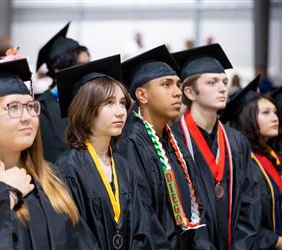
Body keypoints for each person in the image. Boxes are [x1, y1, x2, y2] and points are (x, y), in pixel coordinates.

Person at [0, 58, 99, 249]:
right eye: (13, 107)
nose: (27, 117)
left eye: (30, 106)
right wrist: (5, 195)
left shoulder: (50, 176)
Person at [55, 55, 171, 250]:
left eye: (122, 103)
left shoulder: (123, 166)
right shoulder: (68, 168)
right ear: (86, 108)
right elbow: (74, 236)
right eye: (109, 103)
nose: (120, 112)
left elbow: (142, 229)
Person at [115, 45, 213, 249]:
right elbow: (144, 218)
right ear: (142, 95)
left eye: (178, 84)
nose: (178, 92)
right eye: (166, 84)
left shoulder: (174, 140)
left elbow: (197, 202)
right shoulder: (130, 143)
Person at [172, 43, 261, 250]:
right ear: (190, 92)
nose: (222, 88)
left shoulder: (236, 141)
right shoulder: (174, 141)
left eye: (224, 81)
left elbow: (250, 201)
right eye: (212, 83)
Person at [221, 76, 282, 250]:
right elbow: (239, 220)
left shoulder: (269, 157)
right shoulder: (239, 162)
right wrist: (276, 241)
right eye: (266, 113)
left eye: (275, 112)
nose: (275, 117)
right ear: (248, 118)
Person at [36, 22, 90, 163]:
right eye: (80, 66)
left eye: (88, 64)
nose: (87, 71)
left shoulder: (86, 100)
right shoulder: (45, 108)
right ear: (59, 70)